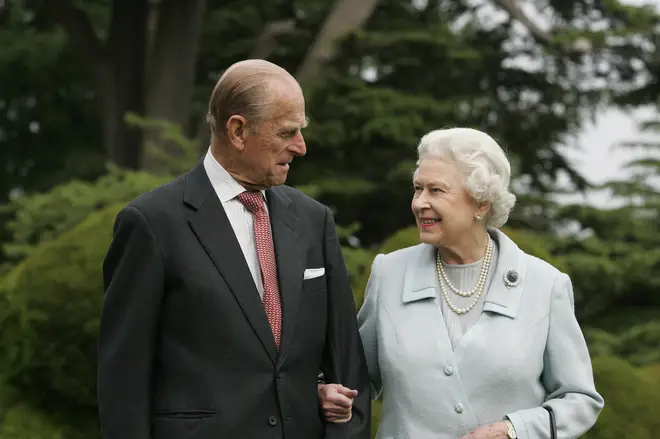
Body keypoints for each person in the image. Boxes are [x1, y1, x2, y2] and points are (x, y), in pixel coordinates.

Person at [98, 59, 371, 439]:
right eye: (288, 132)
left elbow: (347, 364)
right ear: (238, 130)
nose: (301, 147)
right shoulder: (151, 223)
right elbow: (123, 379)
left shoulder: (314, 220)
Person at [318, 128, 604, 439]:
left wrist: (513, 430)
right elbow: (354, 377)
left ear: (481, 203)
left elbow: (579, 400)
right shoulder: (389, 273)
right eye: (417, 189)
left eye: (436, 191)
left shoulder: (545, 285)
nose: (419, 203)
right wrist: (327, 391)